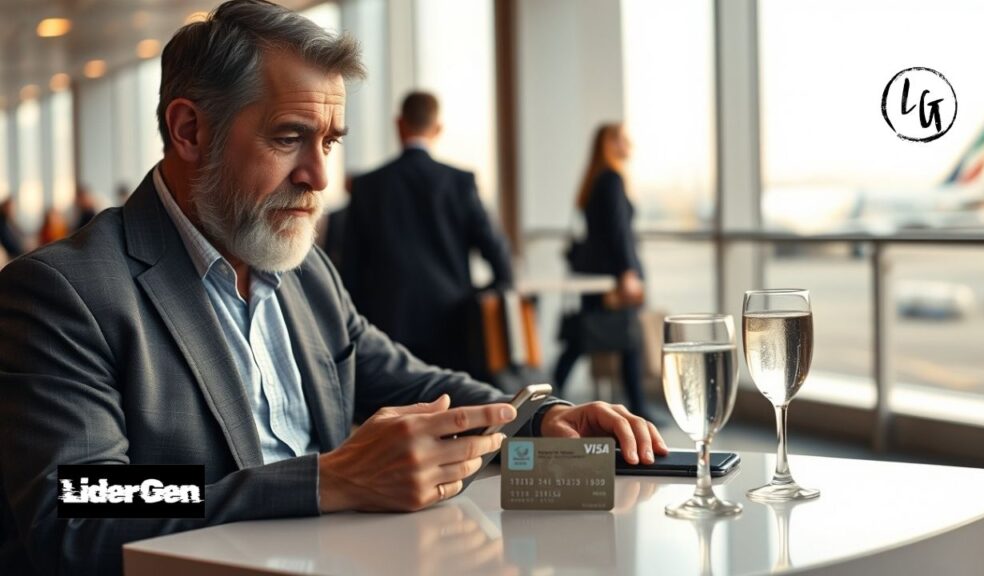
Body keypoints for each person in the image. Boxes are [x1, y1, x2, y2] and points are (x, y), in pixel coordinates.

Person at [0, 3, 666, 575]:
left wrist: (543, 420)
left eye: (330, 142)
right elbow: (85, 503)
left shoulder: (302, 270)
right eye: (290, 138)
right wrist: (324, 481)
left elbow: (409, 384)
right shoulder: (65, 293)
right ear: (189, 131)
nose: (319, 176)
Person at [339, 92, 514, 374]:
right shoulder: (460, 182)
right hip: (452, 319)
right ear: (438, 128)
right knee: (451, 403)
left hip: (385, 323)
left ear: (399, 124)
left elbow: (351, 264)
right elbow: (496, 250)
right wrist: (487, 292)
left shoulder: (368, 185)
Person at [552, 123, 651, 419]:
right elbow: (618, 230)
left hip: (596, 275)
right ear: (610, 143)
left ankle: (548, 390)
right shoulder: (611, 179)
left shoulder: (595, 179)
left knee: (585, 338)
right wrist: (628, 271)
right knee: (624, 340)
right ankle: (639, 408)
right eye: (623, 139)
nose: (629, 144)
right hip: (613, 277)